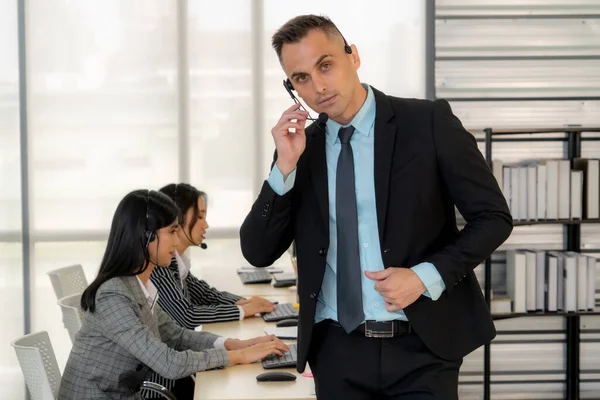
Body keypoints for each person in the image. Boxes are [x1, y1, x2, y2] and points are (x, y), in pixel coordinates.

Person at [240, 14, 513, 400]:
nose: (318, 87)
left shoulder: (428, 122)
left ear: (353, 56)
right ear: (292, 87)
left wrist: (424, 276)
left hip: (423, 349)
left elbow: (493, 218)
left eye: (325, 65)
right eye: (301, 78)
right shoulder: (301, 148)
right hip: (336, 351)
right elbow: (257, 250)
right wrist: (284, 167)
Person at [58, 189, 288, 400]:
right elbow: (168, 363)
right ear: (146, 237)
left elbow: (177, 337)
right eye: (172, 231)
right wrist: (238, 357)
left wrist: (237, 344)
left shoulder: (137, 286)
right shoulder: (113, 296)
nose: (178, 241)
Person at [149, 182, 276, 329]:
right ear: (176, 218)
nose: (206, 225)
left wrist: (244, 302)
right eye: (200, 217)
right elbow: (187, 316)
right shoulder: (158, 265)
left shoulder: (175, 262)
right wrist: (242, 310)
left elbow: (204, 295)